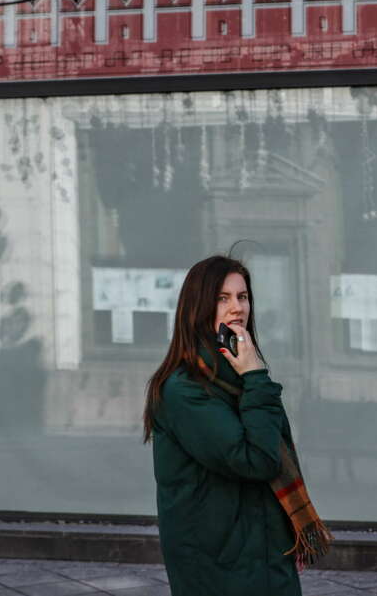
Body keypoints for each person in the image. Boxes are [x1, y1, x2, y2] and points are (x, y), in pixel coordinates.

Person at [143, 255, 331, 596]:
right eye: (222, 298)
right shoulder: (185, 389)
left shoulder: (240, 373)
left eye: (242, 297)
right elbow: (256, 459)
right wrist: (257, 378)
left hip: (263, 549)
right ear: (197, 307)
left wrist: (254, 377)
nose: (237, 308)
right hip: (217, 561)